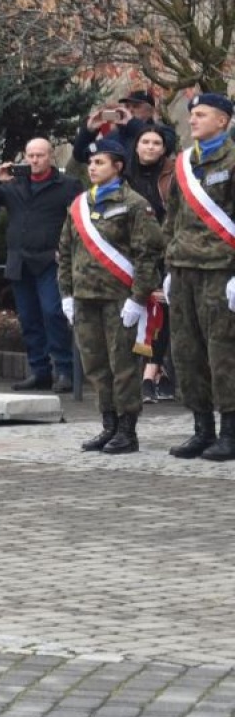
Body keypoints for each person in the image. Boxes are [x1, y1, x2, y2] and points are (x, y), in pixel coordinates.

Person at [57, 138, 166, 454]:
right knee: (96, 365)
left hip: (120, 299)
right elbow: (65, 251)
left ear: (118, 167)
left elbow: (148, 253)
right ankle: (109, 425)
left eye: (100, 162)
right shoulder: (79, 205)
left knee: (124, 367)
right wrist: (66, 293)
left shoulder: (134, 204)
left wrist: (138, 297)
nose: (92, 167)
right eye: (90, 163)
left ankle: (127, 430)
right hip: (85, 298)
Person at [0, 138, 84, 392]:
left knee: (53, 313)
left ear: (51, 156)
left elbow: (83, 218)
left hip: (49, 260)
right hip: (19, 261)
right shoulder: (13, 184)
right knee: (29, 318)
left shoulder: (66, 185)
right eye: (30, 155)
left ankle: (64, 370)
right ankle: (39, 370)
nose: (34, 160)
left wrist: (69, 250)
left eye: (40, 155)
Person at [161, 92, 235, 461]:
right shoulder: (183, 163)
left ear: (223, 120)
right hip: (184, 269)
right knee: (187, 353)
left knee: (223, 351)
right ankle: (202, 429)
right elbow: (172, 217)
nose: (193, 120)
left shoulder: (233, 159)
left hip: (221, 271)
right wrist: (169, 266)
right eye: (192, 115)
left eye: (202, 114)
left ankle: (230, 432)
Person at [124, 127, 175, 402]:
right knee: (139, 310)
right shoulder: (124, 174)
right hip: (131, 252)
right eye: (146, 141)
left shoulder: (172, 175)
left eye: (157, 143)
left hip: (164, 250)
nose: (151, 147)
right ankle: (157, 373)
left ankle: (149, 373)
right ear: (136, 145)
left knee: (160, 310)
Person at [72, 89, 178, 166]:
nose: (130, 110)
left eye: (136, 106)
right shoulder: (113, 136)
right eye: (127, 107)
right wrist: (88, 131)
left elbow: (165, 146)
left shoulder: (164, 131)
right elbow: (81, 155)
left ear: (151, 111)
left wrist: (131, 122)